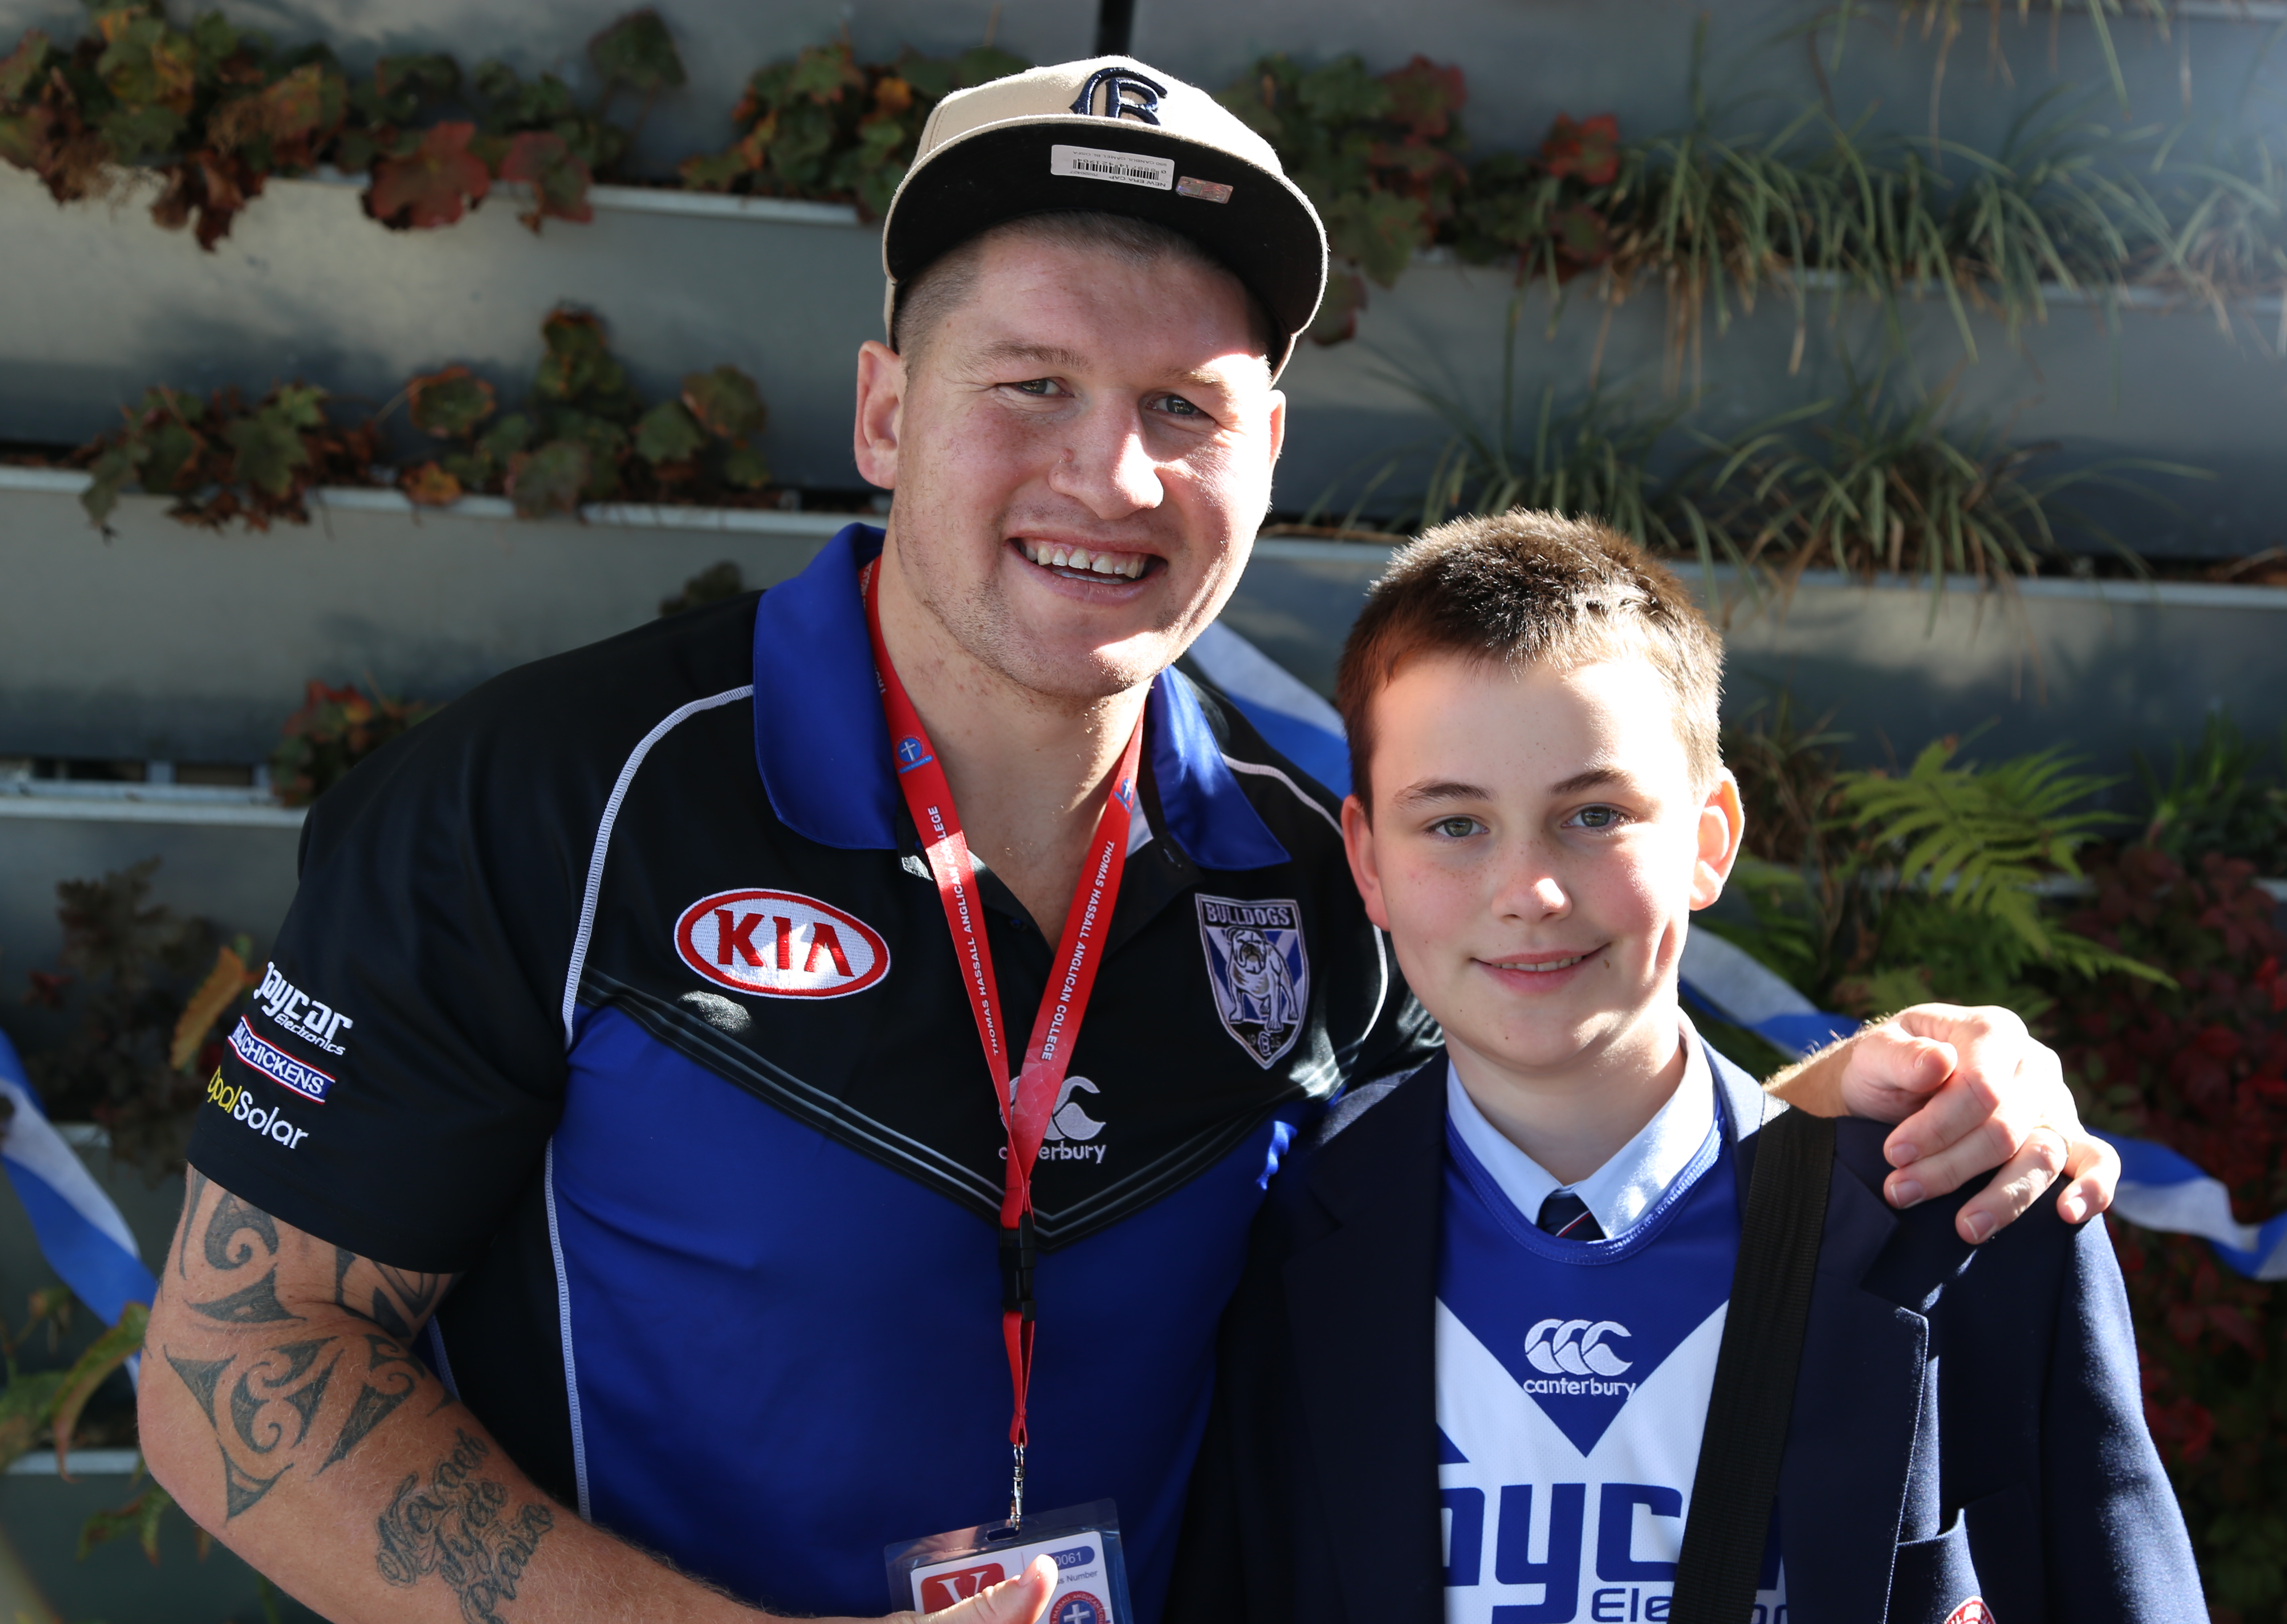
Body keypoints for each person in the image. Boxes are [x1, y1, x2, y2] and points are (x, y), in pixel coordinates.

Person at [138, 56, 2123, 1624]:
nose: (1112, 473)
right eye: (1032, 386)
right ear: (888, 410)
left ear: (1269, 455)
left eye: (1187, 404)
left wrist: (1877, 1118)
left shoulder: (1316, 870)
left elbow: (1545, 1159)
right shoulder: (552, 803)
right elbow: (240, 1378)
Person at [1169, 514, 2206, 1624]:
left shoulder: (1963, 1218)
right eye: (1456, 825)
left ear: (1711, 840)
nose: (1530, 892)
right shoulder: (1287, 1240)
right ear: (1367, 862)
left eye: (1595, 815)